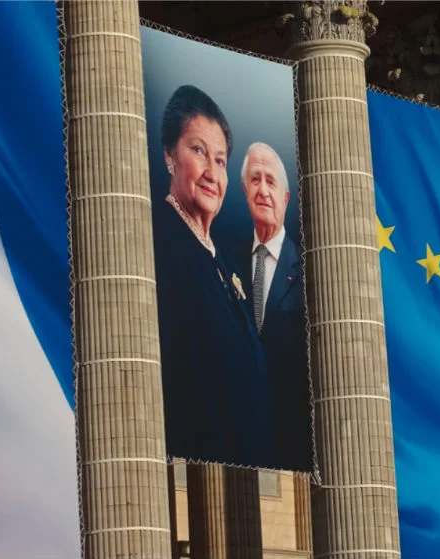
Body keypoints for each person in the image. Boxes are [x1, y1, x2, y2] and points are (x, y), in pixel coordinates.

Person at [152, 85, 275, 467]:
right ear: (170, 156)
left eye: (220, 160)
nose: (211, 172)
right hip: (194, 464)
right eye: (198, 151)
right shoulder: (158, 243)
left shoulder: (224, 262)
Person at [233, 142, 312, 472]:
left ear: (285, 197)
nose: (263, 190)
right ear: (244, 190)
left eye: (271, 181)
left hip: (294, 441)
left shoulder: (308, 271)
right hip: (237, 436)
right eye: (255, 180)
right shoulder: (226, 260)